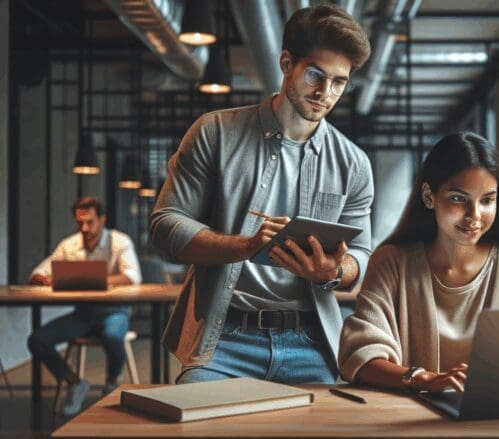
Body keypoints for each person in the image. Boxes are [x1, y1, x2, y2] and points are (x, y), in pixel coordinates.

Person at [150, 4, 373, 385]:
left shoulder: (353, 164)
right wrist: (244, 246)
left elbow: (362, 254)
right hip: (225, 341)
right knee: (192, 412)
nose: (325, 93)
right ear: (287, 63)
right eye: (315, 75)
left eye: (339, 82)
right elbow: (164, 226)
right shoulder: (214, 133)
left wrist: (334, 271)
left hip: (312, 343)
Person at [338, 133, 499, 393]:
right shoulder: (392, 262)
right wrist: (424, 379)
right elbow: (360, 356)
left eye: (487, 200)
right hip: (412, 414)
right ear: (429, 196)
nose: (474, 215)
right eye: (458, 198)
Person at [27, 196, 142, 415]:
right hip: (83, 315)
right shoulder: (69, 245)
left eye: (90, 222)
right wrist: (46, 279)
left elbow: (132, 276)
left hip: (114, 311)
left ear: (102, 219)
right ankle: (75, 383)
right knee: (37, 341)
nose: (85, 228)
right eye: (80, 222)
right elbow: (37, 273)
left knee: (112, 336)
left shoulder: (120, 241)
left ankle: (111, 384)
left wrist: (93, 279)